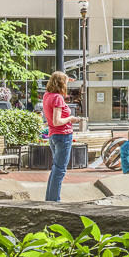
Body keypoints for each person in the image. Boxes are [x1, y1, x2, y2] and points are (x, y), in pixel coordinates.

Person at [43, 71, 81, 202]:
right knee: (60, 170)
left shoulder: (47, 95)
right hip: (63, 135)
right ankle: (54, 201)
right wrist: (71, 118)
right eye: (65, 82)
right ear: (61, 83)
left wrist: (67, 78)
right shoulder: (57, 98)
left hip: (54, 136)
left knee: (56, 168)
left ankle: (50, 198)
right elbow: (57, 121)